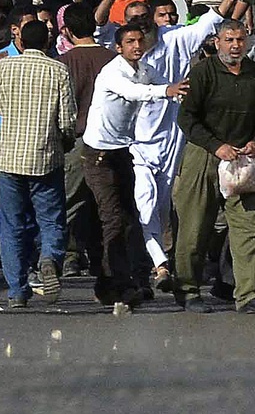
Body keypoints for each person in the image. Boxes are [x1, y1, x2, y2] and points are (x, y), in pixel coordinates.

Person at [171, 18, 255, 314]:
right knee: (194, 227)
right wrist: (216, 146)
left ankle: (249, 294)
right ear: (217, 42)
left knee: (251, 227)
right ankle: (188, 290)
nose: (235, 46)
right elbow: (187, 118)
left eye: (240, 40)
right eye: (229, 40)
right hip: (205, 155)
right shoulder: (204, 72)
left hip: (244, 159)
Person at [79, 19, 188, 308]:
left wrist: (180, 90)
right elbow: (136, 93)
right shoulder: (112, 73)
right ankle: (118, 284)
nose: (137, 46)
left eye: (140, 41)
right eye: (130, 42)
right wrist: (167, 91)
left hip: (123, 151)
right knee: (113, 219)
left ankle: (116, 283)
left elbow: (160, 84)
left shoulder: (145, 71)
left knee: (131, 217)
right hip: (98, 155)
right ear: (118, 47)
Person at [0, 17, 77, 309]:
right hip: (45, 157)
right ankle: (49, 258)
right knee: (51, 218)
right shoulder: (58, 70)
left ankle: (16, 291)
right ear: (48, 43)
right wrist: (64, 142)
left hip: (10, 156)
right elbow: (67, 121)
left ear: (21, 42)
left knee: (12, 225)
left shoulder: (2, 66)